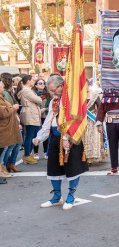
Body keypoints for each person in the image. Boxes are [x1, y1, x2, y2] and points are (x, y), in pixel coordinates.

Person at [33, 74, 88, 210]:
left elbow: (74, 121)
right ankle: (57, 197)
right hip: (55, 138)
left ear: (61, 86)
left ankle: (71, 196)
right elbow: (49, 120)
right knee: (53, 169)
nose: (51, 93)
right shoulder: (54, 101)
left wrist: (67, 138)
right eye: (50, 90)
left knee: (73, 169)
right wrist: (40, 137)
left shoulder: (72, 100)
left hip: (70, 138)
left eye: (53, 90)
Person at [96, 92, 119, 176]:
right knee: (112, 145)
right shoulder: (107, 93)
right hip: (111, 122)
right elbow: (101, 108)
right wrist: (99, 123)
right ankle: (114, 168)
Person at [0, 79, 22, 182]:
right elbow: (2, 112)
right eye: (1, 86)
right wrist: (13, 108)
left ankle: (3, 168)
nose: (3, 87)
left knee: (5, 148)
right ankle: (2, 169)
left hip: (7, 126)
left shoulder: (2, 96)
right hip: (3, 127)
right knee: (3, 149)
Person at [17, 74, 42, 165]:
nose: (34, 81)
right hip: (30, 115)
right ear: (28, 81)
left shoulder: (27, 90)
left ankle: (28, 154)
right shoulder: (26, 90)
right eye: (32, 80)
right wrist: (39, 98)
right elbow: (38, 100)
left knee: (32, 135)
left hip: (32, 114)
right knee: (30, 135)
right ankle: (27, 155)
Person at [83, 82, 105, 164]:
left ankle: (91, 158)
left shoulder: (94, 95)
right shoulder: (79, 95)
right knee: (84, 138)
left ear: (88, 85)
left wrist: (99, 119)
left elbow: (100, 106)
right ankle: (83, 156)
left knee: (92, 138)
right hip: (82, 120)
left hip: (92, 119)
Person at [32, 78, 50, 160]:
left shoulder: (48, 95)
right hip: (36, 116)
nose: (42, 84)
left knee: (46, 133)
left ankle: (46, 152)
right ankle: (35, 152)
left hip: (45, 116)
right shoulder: (33, 94)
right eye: (39, 83)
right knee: (36, 134)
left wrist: (45, 109)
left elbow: (51, 105)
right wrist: (39, 110)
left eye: (43, 83)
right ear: (36, 85)